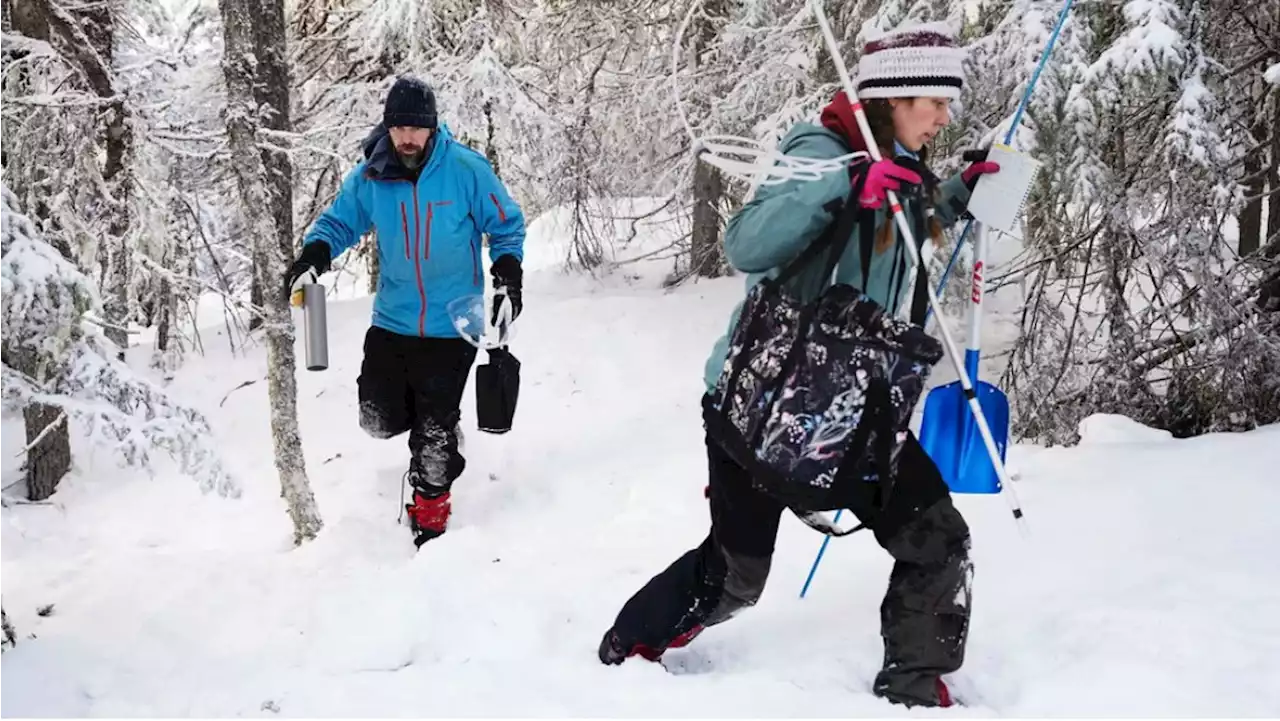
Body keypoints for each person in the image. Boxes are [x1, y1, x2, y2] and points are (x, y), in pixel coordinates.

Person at [594, 22, 1000, 709]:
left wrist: (953, 195)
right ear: (891, 99)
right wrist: (843, 185)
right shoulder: (820, 153)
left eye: (945, 101)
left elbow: (900, 227)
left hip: (854, 410)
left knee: (938, 535)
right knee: (736, 575)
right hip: (760, 406)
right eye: (932, 99)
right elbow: (748, 242)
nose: (943, 116)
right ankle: (627, 644)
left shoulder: (901, 166)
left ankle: (913, 683)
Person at [284, 76, 526, 548]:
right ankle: (434, 423)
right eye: (400, 128)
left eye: (418, 128)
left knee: (432, 440)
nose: (409, 138)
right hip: (392, 321)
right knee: (377, 418)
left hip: (452, 323)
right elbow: (339, 222)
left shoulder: (465, 170)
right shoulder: (373, 175)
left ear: (433, 128)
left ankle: (430, 520)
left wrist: (508, 275)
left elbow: (506, 225)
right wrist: (313, 256)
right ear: (388, 128)